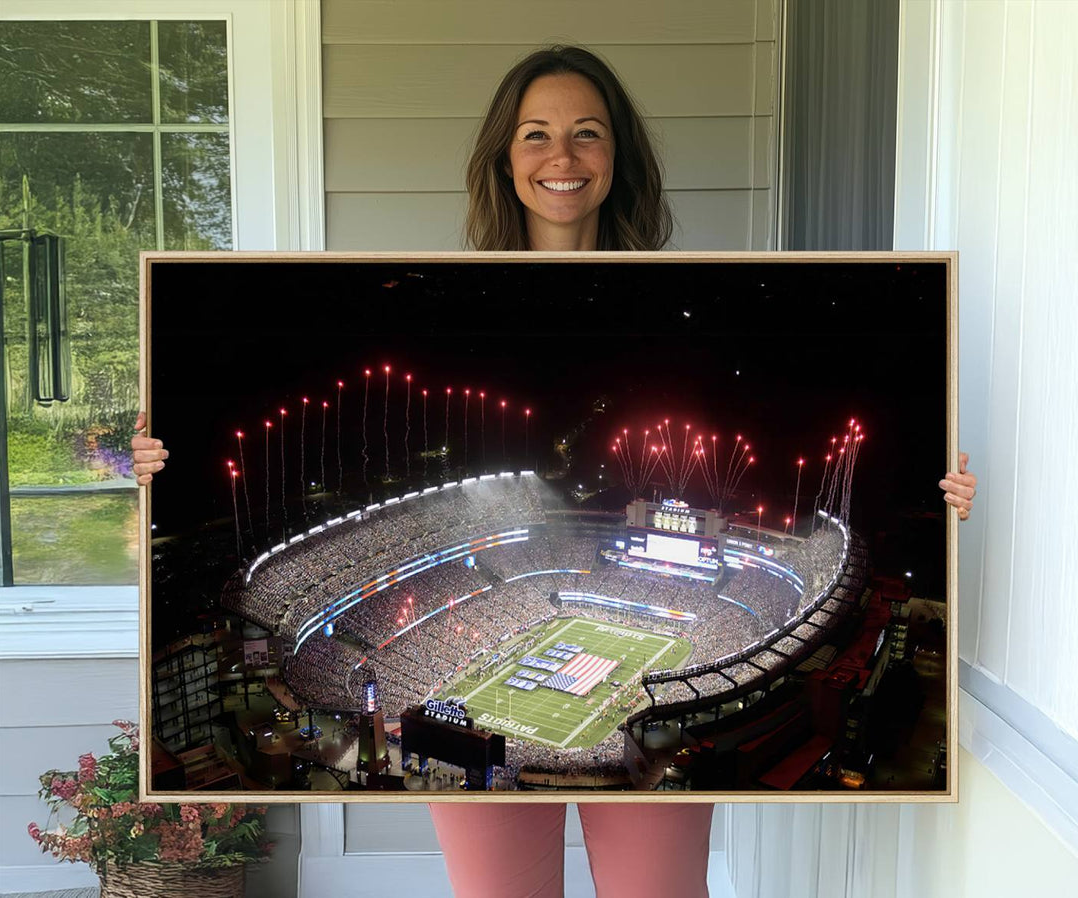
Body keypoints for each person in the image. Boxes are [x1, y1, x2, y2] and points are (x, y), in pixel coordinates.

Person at [132, 45, 977, 898]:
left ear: (620, 157)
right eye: (536, 134)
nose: (562, 157)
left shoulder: (683, 292)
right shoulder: (449, 292)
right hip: (485, 747)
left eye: (587, 134)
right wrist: (148, 470)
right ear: (505, 156)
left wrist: (944, 503)